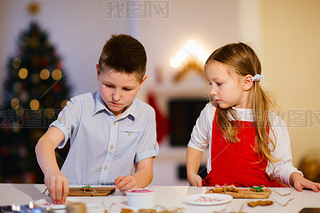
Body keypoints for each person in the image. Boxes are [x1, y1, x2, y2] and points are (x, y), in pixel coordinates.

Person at [35, 34, 159, 204]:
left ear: (142, 82)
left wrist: (136, 180)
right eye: (109, 85)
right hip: (70, 200)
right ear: (98, 72)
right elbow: (44, 144)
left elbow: (146, 170)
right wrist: (51, 172)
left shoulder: (146, 115)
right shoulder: (79, 106)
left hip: (115, 203)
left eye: (127, 88)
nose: (116, 96)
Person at [186, 42, 320, 192]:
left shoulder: (273, 122)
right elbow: (196, 144)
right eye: (210, 84)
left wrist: (297, 178)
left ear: (247, 82)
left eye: (218, 83)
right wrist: (192, 174)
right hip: (218, 195)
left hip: (258, 196)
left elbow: (281, 166)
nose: (212, 91)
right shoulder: (210, 112)